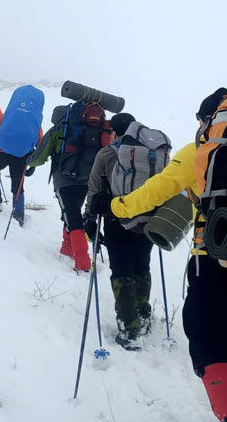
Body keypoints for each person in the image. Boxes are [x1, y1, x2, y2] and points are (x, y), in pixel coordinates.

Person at [109, 88, 227, 421]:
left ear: (209, 119)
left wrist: (117, 205)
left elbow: (156, 191)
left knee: (206, 344)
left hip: (215, 259)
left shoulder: (202, 148)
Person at [81, 112, 155, 350]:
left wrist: (89, 219)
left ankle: (129, 327)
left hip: (117, 220)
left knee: (121, 271)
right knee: (142, 265)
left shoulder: (107, 153)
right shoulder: (150, 154)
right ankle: (144, 314)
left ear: (114, 131)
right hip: (147, 219)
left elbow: (94, 189)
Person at [28, 103, 112, 272]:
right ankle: (67, 248)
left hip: (64, 181)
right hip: (88, 181)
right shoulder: (93, 129)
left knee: (72, 217)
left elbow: (38, 158)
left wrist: (27, 161)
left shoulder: (59, 129)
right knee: (70, 213)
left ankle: (83, 263)